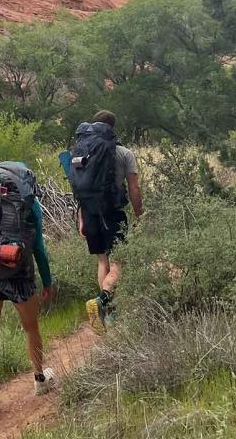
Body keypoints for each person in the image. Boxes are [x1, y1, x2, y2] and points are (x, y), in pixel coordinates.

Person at [0, 162, 56, 424]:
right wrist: (47, 281)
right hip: (18, 272)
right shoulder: (27, 202)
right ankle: (39, 379)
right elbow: (39, 248)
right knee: (31, 328)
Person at [69, 110, 141, 333]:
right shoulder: (123, 153)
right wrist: (139, 213)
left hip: (89, 213)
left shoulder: (82, 151)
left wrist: (81, 218)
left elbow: (79, 187)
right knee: (119, 260)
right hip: (113, 213)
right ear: (112, 127)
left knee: (103, 262)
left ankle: (108, 315)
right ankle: (102, 299)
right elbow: (133, 187)